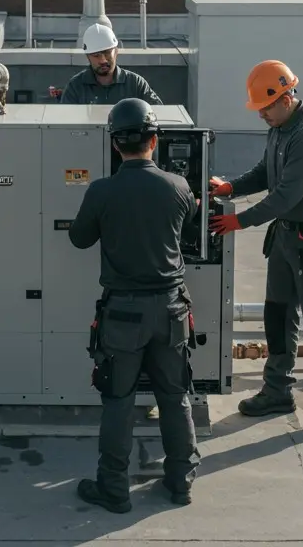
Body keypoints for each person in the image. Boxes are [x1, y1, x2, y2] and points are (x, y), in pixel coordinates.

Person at [68, 97, 203, 513]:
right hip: (171, 311)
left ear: (115, 144)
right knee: (174, 395)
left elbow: (79, 238)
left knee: (119, 400)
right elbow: (189, 231)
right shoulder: (179, 187)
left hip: (123, 314)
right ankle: (181, 482)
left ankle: (114, 488)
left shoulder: (101, 191)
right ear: (154, 139)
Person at [208, 60, 303, 436]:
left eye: (266, 106)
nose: (261, 114)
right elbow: (265, 173)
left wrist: (239, 221)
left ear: (286, 97)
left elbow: (288, 194)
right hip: (286, 238)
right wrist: (230, 188)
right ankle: (277, 390)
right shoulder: (280, 127)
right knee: (277, 316)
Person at [58, 23, 163, 105]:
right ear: (88, 56)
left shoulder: (136, 84)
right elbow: (65, 125)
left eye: (107, 53)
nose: (103, 60)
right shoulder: (75, 87)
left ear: (116, 51)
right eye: (96, 55)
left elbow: (159, 114)